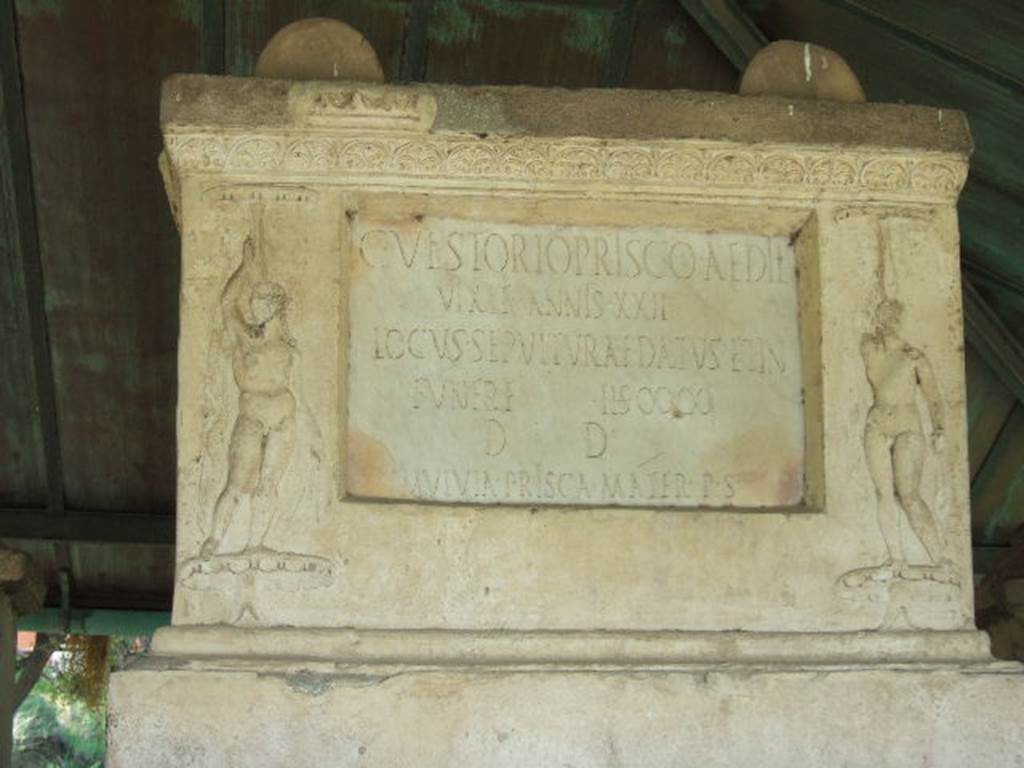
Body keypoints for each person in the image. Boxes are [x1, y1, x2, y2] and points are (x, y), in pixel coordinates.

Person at [200, 235, 297, 557]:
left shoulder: (285, 341)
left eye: (263, 299)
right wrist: (246, 267)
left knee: (269, 482)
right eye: (255, 298)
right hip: (253, 411)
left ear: (276, 306)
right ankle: (213, 539)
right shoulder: (244, 337)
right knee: (238, 482)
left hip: (283, 412)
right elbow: (227, 304)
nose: (255, 303)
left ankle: (255, 544)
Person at [861, 297, 946, 575]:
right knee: (883, 493)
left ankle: (939, 558)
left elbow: (933, 398)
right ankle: (897, 559)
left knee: (908, 495)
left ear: (899, 323)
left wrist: (939, 429)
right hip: (877, 422)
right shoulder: (869, 348)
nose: (886, 324)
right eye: (882, 318)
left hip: (907, 425)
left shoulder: (914, 358)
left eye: (892, 319)